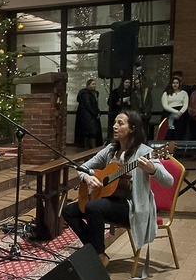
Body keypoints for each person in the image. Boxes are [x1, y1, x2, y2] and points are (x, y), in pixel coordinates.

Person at [62, 110, 173, 268]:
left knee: (93, 207)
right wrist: (86, 177)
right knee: (69, 212)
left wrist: (152, 170)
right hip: (111, 202)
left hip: (133, 207)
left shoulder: (145, 153)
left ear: (132, 128)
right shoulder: (110, 150)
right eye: (114, 122)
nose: (114, 126)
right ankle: (97, 252)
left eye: (120, 123)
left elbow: (169, 181)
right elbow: (83, 167)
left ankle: (98, 258)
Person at [74, 79, 103, 149]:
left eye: (95, 84)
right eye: (92, 84)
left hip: (88, 117)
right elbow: (88, 105)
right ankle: (92, 150)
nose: (94, 86)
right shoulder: (86, 94)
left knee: (88, 135)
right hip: (89, 117)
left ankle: (88, 151)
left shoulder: (91, 93)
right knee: (91, 134)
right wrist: (96, 113)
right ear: (88, 85)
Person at [161, 75, 189, 141]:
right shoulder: (166, 93)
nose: (175, 85)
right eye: (173, 83)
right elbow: (165, 105)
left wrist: (180, 112)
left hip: (181, 115)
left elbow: (186, 105)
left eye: (177, 83)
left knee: (179, 132)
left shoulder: (184, 93)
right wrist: (176, 112)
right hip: (169, 113)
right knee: (169, 133)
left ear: (179, 84)